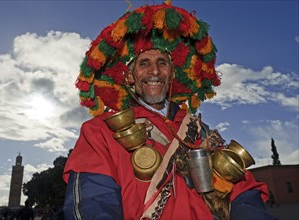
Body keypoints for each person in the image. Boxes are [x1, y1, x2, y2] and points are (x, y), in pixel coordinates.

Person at [63, 2, 276, 219]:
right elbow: (94, 202)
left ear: (172, 74)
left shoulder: (200, 131)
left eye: (162, 63)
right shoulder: (100, 131)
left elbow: (243, 191)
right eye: (144, 63)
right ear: (129, 77)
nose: (154, 70)